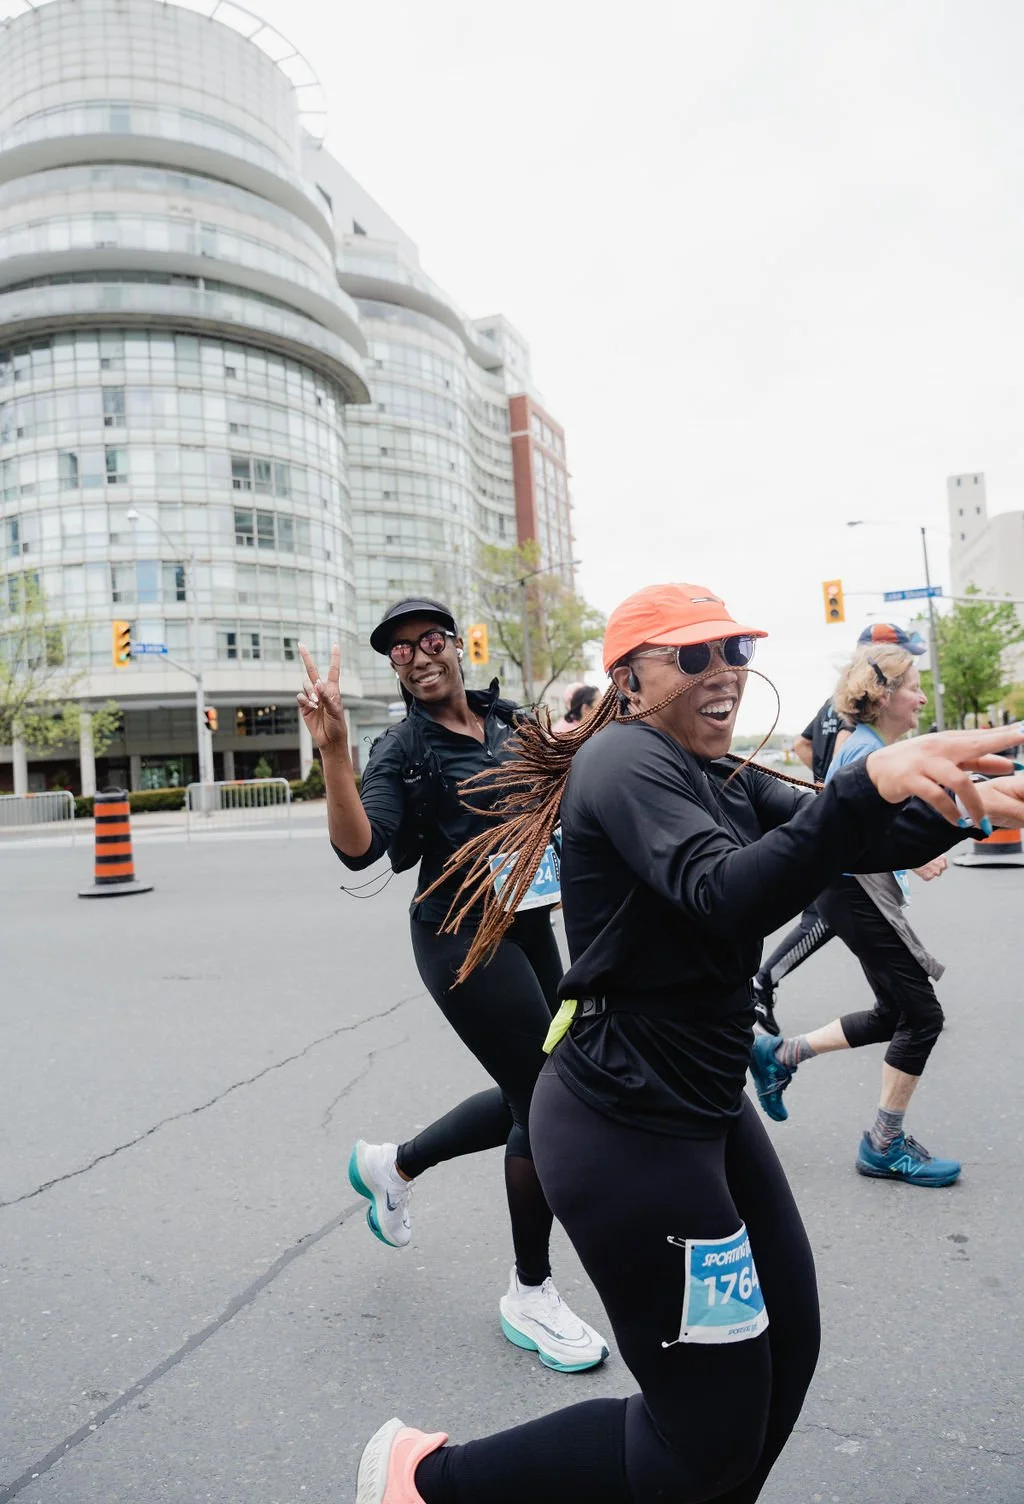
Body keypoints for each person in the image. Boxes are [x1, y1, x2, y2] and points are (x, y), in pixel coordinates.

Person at [351, 581, 1024, 1504]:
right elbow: (723, 892)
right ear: (628, 680)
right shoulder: (623, 762)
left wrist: (973, 803)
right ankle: (427, 1481)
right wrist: (860, 786)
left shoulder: (719, 776)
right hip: (624, 1131)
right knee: (702, 1435)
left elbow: (855, 842)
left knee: (788, 1352)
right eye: (693, 656)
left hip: (706, 1107)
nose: (725, 675)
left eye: (736, 652)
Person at [297, 597, 607, 1374]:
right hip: (460, 939)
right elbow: (359, 849)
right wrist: (333, 752)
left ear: (456, 644)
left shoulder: (508, 724)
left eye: (429, 638)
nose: (418, 654)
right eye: (400, 650)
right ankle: (529, 1292)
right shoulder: (401, 750)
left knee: (530, 1091)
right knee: (544, 1097)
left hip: (530, 923)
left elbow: (564, 795)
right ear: (395, 668)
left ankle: (393, 1165)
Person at [749, 640, 971, 1184]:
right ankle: (883, 1143)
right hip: (855, 890)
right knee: (923, 1017)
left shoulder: (867, 744)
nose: (921, 698)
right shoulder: (863, 751)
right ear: (885, 694)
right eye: (914, 688)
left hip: (854, 890)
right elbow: (849, 824)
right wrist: (912, 851)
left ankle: (782, 1054)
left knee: (895, 1012)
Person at [751, 622, 928, 1035]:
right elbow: (860, 801)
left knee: (900, 1008)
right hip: (846, 869)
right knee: (825, 922)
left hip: (846, 855)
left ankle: (783, 1041)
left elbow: (804, 745)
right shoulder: (864, 739)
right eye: (907, 661)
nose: (920, 695)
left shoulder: (847, 718)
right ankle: (762, 984)